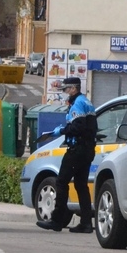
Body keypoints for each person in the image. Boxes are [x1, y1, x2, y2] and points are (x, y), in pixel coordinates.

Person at [36, 76, 98, 234]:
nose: (64, 92)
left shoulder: (77, 103)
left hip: (76, 149)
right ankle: (86, 223)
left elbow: (78, 127)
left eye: (66, 89)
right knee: (81, 185)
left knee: (62, 181)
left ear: (74, 89)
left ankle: (57, 220)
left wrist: (62, 130)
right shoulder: (87, 102)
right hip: (88, 149)